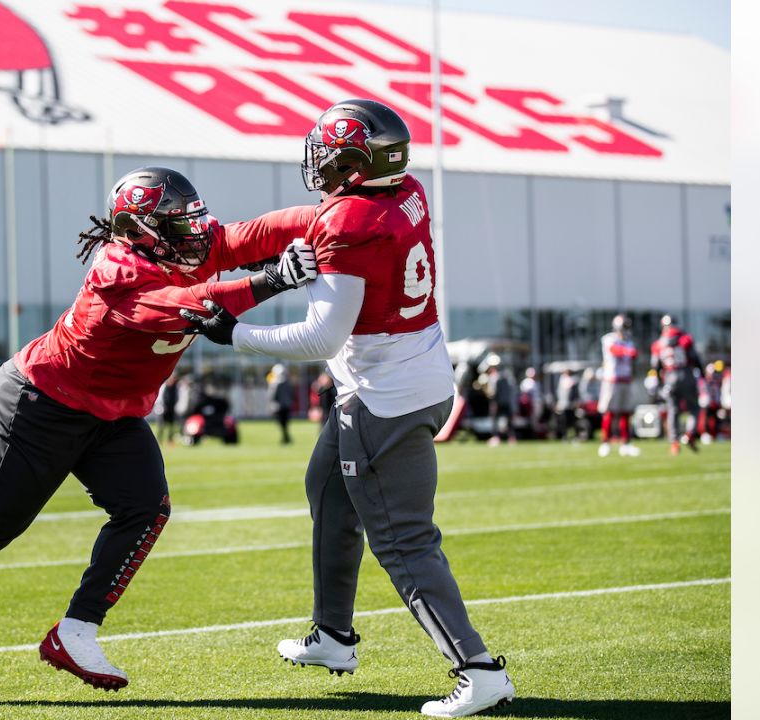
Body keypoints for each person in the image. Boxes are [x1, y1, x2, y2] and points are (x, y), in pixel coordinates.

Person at [0, 166, 319, 702]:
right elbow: (192, 307)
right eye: (178, 224)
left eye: (193, 218)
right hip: (40, 405)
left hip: (113, 414)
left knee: (146, 507)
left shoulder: (183, 246)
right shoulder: (119, 273)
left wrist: (333, 216)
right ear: (140, 230)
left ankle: (76, 631)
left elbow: (254, 233)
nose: (196, 232)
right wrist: (272, 279)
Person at [183, 99, 513, 718]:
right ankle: (333, 637)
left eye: (334, 157)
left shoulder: (350, 222)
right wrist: (239, 243)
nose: (321, 164)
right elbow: (320, 223)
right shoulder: (405, 190)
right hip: (411, 373)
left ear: (359, 165)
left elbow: (321, 338)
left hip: (381, 397)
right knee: (328, 493)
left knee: (404, 541)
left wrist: (235, 333)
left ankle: (479, 670)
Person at [651, 314, 704, 455]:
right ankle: (689, 435)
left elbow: (656, 366)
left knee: (673, 410)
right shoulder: (685, 339)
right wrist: (702, 374)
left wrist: (660, 382)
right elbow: (694, 358)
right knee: (694, 408)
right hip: (686, 375)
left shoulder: (659, 344)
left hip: (669, 377)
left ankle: (674, 442)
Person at [597, 314, 641, 457]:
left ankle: (625, 444)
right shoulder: (609, 339)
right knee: (610, 412)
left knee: (625, 413)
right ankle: (605, 443)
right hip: (612, 380)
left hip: (625, 380)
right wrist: (627, 351)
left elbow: (633, 357)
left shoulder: (629, 341)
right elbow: (615, 350)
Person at [267, 363, 295, 445]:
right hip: (286, 406)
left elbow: (272, 396)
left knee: (282, 424)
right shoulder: (287, 382)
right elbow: (291, 394)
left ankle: (286, 438)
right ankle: (286, 437)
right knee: (285, 424)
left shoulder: (275, 383)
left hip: (280, 407)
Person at [552, 368, 581, 441]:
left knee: (573, 422)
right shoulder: (562, 381)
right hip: (563, 405)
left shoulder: (573, 381)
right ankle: (565, 436)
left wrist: (576, 402)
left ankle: (575, 436)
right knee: (563, 422)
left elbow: (575, 393)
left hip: (571, 405)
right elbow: (559, 394)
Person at [156, 374, 180, 445]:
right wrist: (161, 407)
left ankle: (170, 440)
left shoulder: (176, 388)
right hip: (163, 410)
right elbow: (160, 398)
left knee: (171, 426)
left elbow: (177, 398)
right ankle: (159, 440)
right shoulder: (164, 387)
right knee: (161, 426)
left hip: (172, 409)